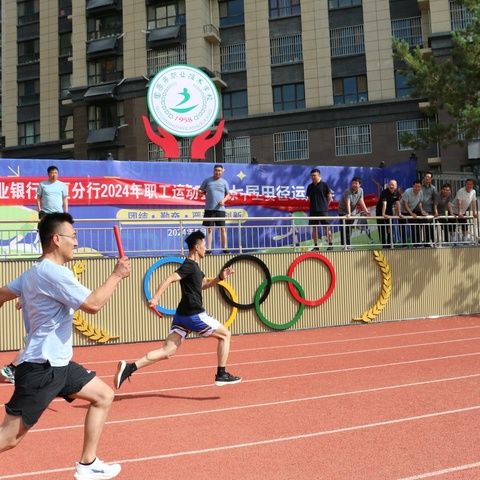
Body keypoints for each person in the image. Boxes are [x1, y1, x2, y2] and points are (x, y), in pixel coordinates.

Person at [0, 212, 131, 480]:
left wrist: (30, 297)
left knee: (103, 396)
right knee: (9, 439)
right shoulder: (54, 273)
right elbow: (93, 305)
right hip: (41, 369)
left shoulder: (33, 273)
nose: (77, 242)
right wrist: (117, 275)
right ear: (57, 239)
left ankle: (88, 463)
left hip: (58, 365)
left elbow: (2, 293)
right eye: (73, 237)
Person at [114, 230, 241, 390]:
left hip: (181, 316)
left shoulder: (195, 268)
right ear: (197, 247)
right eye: (204, 245)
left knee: (167, 351)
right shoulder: (188, 265)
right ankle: (221, 374)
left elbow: (203, 285)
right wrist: (156, 298)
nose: (206, 248)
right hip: (193, 314)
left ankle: (130, 368)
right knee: (225, 335)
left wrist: (220, 278)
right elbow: (169, 278)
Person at [198, 164, 231, 254]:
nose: (218, 172)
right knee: (209, 229)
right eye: (216, 170)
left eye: (219, 170)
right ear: (213, 171)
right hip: (209, 209)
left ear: (222, 171)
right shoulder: (208, 181)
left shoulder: (224, 182)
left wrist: (224, 200)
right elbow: (199, 190)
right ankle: (209, 249)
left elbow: (228, 194)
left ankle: (225, 248)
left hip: (220, 209)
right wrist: (205, 192)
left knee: (222, 229)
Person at [337, 177, 371, 249]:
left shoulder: (361, 191)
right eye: (353, 183)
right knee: (344, 229)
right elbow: (348, 203)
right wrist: (348, 214)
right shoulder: (347, 191)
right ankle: (343, 246)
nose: (354, 185)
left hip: (352, 212)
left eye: (356, 183)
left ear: (360, 184)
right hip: (343, 211)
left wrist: (366, 211)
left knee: (349, 229)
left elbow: (361, 201)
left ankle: (348, 245)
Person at [306, 168, 333, 251]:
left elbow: (329, 198)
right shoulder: (310, 186)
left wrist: (325, 206)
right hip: (313, 210)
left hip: (323, 210)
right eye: (312, 176)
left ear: (319, 176)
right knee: (314, 228)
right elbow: (309, 199)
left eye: (315, 175)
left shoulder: (324, 185)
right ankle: (316, 246)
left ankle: (330, 245)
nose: (313, 177)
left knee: (326, 227)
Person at [399, 180, 427, 247]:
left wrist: (422, 210)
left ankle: (416, 243)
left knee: (415, 226)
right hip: (403, 210)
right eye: (416, 186)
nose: (417, 188)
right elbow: (405, 204)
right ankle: (404, 244)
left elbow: (420, 203)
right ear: (413, 186)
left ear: (421, 187)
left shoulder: (421, 192)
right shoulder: (407, 191)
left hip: (411, 210)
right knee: (403, 227)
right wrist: (411, 214)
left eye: (419, 187)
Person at [375, 179, 401, 248]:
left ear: (396, 186)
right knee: (382, 229)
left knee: (390, 228)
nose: (391, 186)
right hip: (380, 212)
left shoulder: (396, 192)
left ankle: (390, 243)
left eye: (393, 185)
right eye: (390, 185)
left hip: (389, 211)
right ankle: (384, 245)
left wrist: (400, 213)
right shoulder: (384, 192)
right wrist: (383, 214)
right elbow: (384, 203)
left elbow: (397, 203)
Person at [451, 178, 478, 244]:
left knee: (465, 225)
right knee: (452, 225)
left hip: (463, 211)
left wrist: (474, 212)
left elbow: (473, 202)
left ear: (473, 185)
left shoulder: (473, 192)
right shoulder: (461, 191)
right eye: (468, 184)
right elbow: (459, 202)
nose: (469, 186)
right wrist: (459, 212)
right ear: (465, 184)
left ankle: (465, 240)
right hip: (454, 209)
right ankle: (453, 240)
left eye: (470, 184)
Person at [421, 172, 437, 246]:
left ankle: (430, 242)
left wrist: (435, 210)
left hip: (429, 209)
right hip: (419, 209)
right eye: (426, 176)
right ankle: (418, 243)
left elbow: (435, 199)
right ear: (424, 177)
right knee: (419, 227)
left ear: (431, 179)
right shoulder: (420, 186)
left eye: (429, 177)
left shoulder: (433, 188)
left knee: (429, 227)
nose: (427, 178)